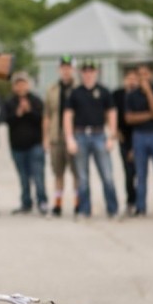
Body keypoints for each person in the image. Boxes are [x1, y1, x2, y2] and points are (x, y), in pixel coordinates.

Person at [62, 60, 119, 218]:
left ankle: (113, 209)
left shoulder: (104, 91)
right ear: (81, 73)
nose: (88, 74)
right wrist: (69, 138)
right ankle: (84, 210)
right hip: (80, 135)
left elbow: (112, 113)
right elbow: (67, 116)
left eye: (91, 71)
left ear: (96, 72)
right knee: (82, 177)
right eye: (85, 71)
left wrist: (112, 136)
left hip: (99, 135)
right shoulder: (75, 93)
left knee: (107, 175)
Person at [124, 64, 153, 218]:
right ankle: (140, 207)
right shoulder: (131, 95)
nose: (143, 77)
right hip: (140, 136)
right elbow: (129, 118)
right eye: (140, 75)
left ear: (151, 74)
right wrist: (151, 115)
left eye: (145, 74)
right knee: (141, 174)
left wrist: (149, 92)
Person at [1, 71, 48, 214]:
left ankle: (42, 202)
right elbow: (6, 121)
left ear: (28, 85)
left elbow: (41, 120)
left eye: (23, 83)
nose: (21, 87)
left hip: (35, 145)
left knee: (38, 175)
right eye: (18, 84)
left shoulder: (36, 100)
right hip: (17, 146)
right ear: (14, 86)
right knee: (23, 177)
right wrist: (18, 113)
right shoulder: (10, 102)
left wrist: (29, 111)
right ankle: (26, 203)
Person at [42, 55, 79, 217]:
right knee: (58, 172)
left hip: (74, 136)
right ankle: (57, 203)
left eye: (69, 67)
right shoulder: (52, 89)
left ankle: (79, 203)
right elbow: (47, 115)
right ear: (59, 69)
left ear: (73, 69)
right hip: (56, 136)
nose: (66, 70)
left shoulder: (79, 89)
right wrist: (45, 137)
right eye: (63, 67)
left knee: (77, 172)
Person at [112, 67, 139, 215]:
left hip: (140, 137)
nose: (132, 81)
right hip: (124, 137)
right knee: (128, 172)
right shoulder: (117, 94)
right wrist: (115, 130)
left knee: (139, 172)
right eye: (129, 78)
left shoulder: (141, 94)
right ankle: (131, 201)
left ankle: (139, 202)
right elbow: (110, 113)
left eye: (134, 78)